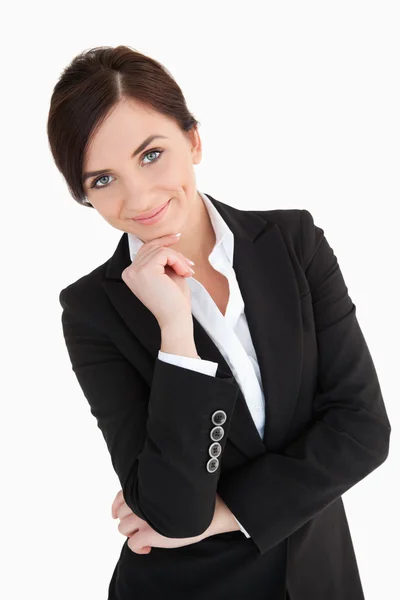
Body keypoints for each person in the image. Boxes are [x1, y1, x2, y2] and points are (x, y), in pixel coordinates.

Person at [48, 45, 391, 600]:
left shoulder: (294, 244)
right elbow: (173, 511)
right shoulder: (93, 311)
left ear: (194, 141)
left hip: (320, 577)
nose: (139, 196)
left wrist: (224, 515)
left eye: (151, 155)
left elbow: (362, 431)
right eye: (102, 180)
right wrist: (176, 334)